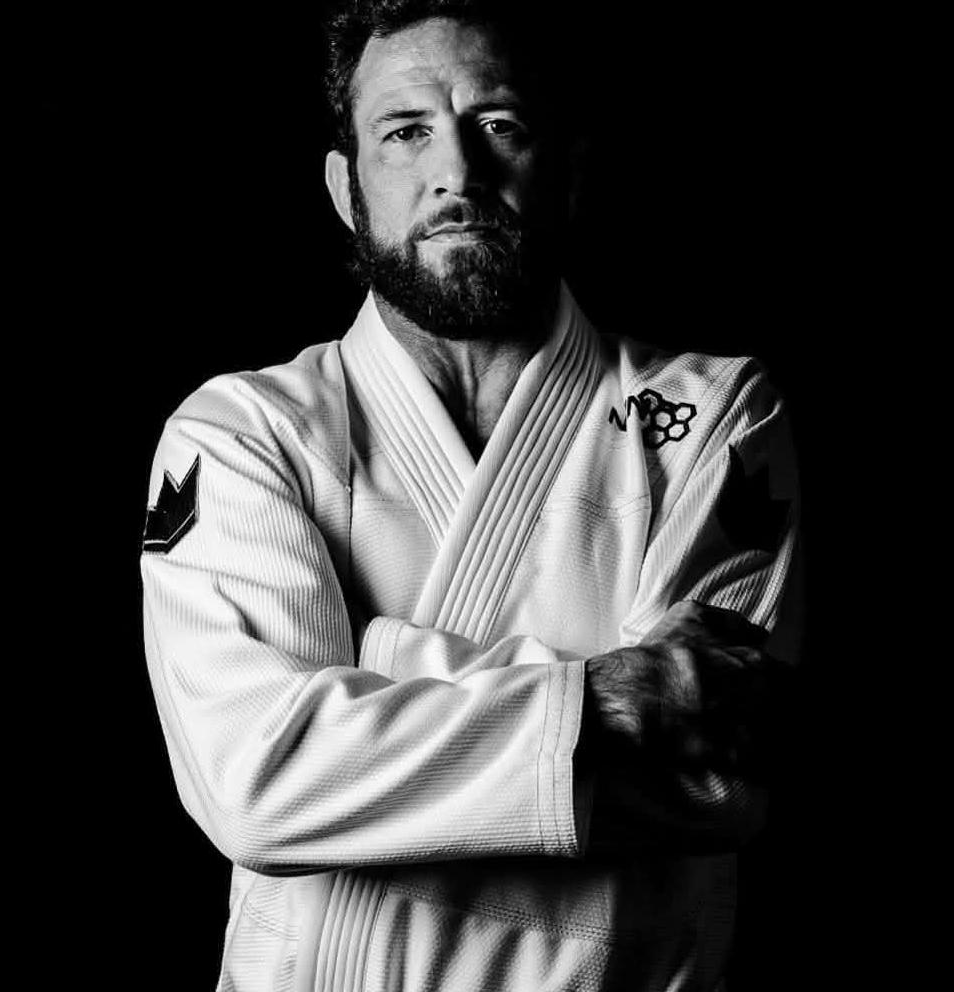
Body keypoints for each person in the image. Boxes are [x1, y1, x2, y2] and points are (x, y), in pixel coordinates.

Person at [140, 2, 801, 989]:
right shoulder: (245, 431)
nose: (457, 171)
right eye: (405, 132)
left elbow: (718, 777)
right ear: (345, 188)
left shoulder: (709, 414)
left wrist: (384, 667)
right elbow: (255, 781)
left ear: (568, 167)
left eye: (499, 124)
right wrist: (600, 698)